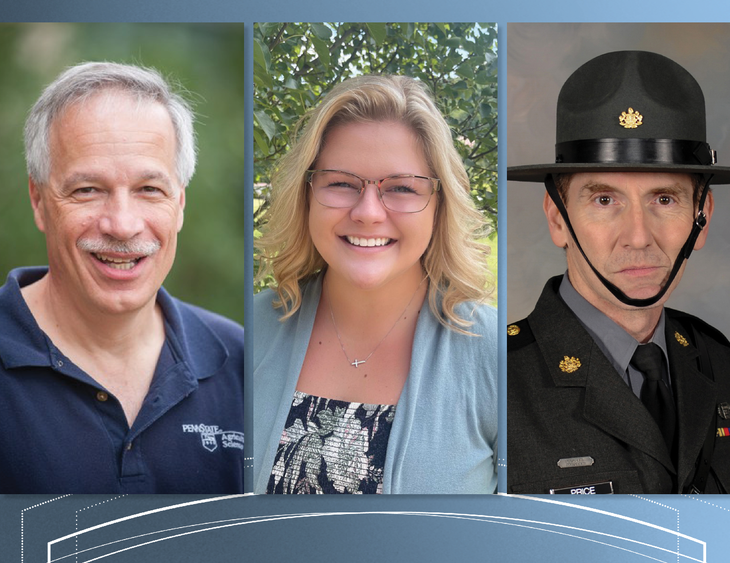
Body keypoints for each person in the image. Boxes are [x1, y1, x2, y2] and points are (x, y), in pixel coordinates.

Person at [507, 50, 730, 494]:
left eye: (665, 199)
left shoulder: (723, 367)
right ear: (558, 218)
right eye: (604, 200)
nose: (638, 237)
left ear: (702, 217)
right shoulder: (493, 384)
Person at [0, 62, 244, 494]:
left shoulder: (244, 363)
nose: (123, 225)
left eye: (150, 189)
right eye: (87, 190)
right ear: (39, 201)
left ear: (180, 204)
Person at [254, 75, 497, 494]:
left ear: (439, 206)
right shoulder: (246, 332)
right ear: (307, 194)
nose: (368, 212)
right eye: (342, 183)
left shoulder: (497, 353)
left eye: (401, 188)